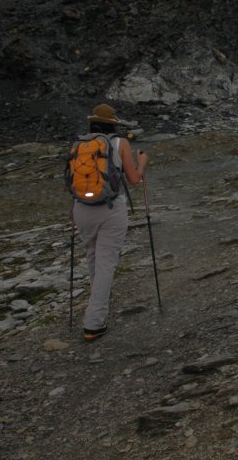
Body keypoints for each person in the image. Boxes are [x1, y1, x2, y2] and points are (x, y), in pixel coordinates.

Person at [71, 103, 148, 341]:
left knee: (94, 259)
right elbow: (134, 179)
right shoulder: (119, 143)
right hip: (111, 208)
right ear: (113, 124)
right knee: (106, 263)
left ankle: (99, 308)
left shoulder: (79, 144)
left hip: (81, 208)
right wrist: (142, 161)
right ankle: (94, 323)